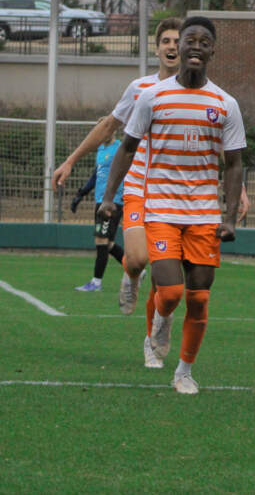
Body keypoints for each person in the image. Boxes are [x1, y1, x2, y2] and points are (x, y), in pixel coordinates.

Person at [99, 16, 246, 394]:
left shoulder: (225, 104)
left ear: (213, 50)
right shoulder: (152, 96)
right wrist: (108, 197)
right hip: (160, 209)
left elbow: (233, 163)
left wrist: (230, 218)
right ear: (178, 48)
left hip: (203, 215)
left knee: (198, 298)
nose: (196, 46)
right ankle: (160, 322)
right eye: (189, 40)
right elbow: (127, 148)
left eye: (204, 41)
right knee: (172, 293)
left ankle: (183, 371)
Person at [52, 18, 182, 317]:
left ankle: (156, 336)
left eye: (177, 41)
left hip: (174, 190)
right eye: (166, 41)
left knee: (167, 274)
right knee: (136, 259)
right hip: (137, 183)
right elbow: (110, 125)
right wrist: (71, 161)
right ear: (157, 47)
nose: (172, 46)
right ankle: (132, 274)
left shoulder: (198, 92)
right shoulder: (139, 88)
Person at [71, 121, 127, 292]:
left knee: (101, 240)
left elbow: (127, 170)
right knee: (106, 243)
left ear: (112, 131)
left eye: (107, 129)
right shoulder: (101, 150)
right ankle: (135, 270)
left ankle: (96, 282)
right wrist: (81, 194)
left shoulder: (120, 147)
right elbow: (97, 175)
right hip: (99, 200)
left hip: (112, 201)